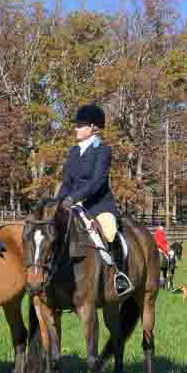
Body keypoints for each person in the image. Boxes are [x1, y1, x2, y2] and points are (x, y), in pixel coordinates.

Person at [54, 104, 132, 296]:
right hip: (72, 203)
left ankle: (119, 276)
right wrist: (58, 202)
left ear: (93, 128)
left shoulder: (103, 151)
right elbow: (67, 182)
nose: (76, 128)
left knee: (110, 231)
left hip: (98, 204)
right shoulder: (73, 151)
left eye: (81, 125)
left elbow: (97, 182)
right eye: (77, 125)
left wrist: (74, 198)